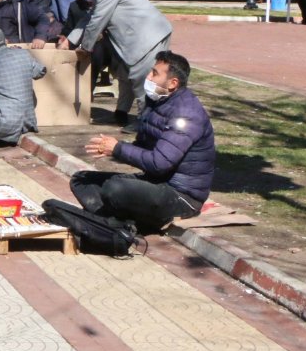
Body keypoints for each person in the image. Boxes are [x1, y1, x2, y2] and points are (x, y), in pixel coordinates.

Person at [76, 51, 214, 233]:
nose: (148, 77)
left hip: (182, 196)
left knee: (114, 188)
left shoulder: (186, 114)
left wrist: (117, 149)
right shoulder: (158, 103)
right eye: (151, 72)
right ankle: (116, 223)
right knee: (81, 180)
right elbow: (144, 149)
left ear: (173, 83)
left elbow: (159, 163)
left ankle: (119, 223)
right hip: (156, 183)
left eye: (155, 74)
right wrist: (113, 146)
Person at [74, 0, 173, 131]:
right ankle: (121, 112)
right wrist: (68, 41)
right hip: (143, 38)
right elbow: (88, 18)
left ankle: (145, 123)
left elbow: (96, 22)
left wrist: (85, 48)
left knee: (143, 79)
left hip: (147, 39)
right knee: (125, 75)